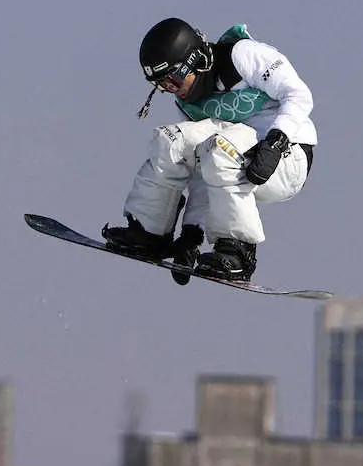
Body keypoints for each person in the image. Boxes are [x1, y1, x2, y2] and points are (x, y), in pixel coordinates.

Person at [102, 17, 317, 284]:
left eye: (173, 78)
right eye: (160, 85)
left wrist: (275, 141)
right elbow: (206, 168)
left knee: (220, 149)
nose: (171, 89)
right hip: (235, 152)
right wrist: (192, 232)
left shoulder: (240, 56)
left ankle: (238, 251)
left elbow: (299, 94)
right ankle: (150, 234)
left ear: (194, 60)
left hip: (288, 155)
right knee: (172, 141)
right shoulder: (190, 103)